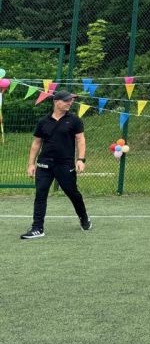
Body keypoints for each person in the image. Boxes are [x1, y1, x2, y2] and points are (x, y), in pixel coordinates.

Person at [21, 89, 91, 239]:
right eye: (66, 100)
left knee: (72, 193)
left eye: (71, 100)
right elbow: (36, 143)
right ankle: (37, 228)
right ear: (56, 102)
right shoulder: (43, 122)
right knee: (40, 194)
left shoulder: (74, 120)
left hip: (65, 164)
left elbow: (80, 140)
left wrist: (81, 159)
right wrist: (31, 164)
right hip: (44, 164)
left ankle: (84, 217)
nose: (70, 102)